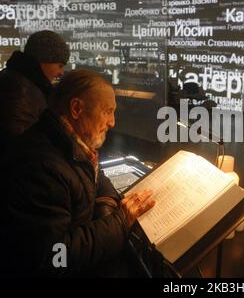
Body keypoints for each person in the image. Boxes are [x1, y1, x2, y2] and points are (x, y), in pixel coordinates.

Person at [2, 69, 155, 277]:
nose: (112, 122)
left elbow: (95, 176)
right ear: (76, 109)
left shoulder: (70, 142)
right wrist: (119, 222)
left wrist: (106, 204)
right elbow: (55, 257)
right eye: (107, 111)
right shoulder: (42, 167)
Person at [0, 30, 69, 146]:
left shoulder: (17, 79)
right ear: (43, 60)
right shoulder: (21, 92)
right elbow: (21, 146)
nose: (61, 72)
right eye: (59, 66)